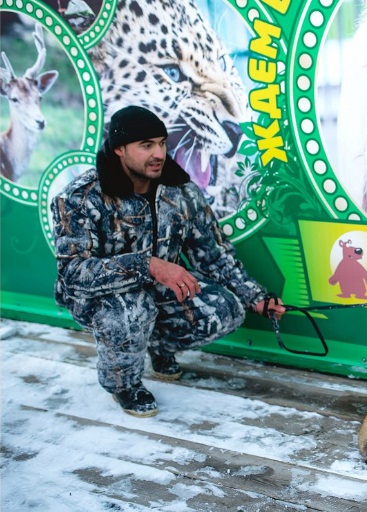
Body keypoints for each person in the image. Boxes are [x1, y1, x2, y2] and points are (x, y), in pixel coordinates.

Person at [51, 105, 286, 418]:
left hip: (158, 291)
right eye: (146, 145)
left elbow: (213, 253)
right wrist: (146, 265)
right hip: (102, 298)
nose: (159, 153)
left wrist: (256, 297)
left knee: (226, 308)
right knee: (131, 309)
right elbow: (73, 274)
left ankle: (159, 347)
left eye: (162, 143)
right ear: (119, 149)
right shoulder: (81, 198)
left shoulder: (180, 190)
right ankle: (125, 384)